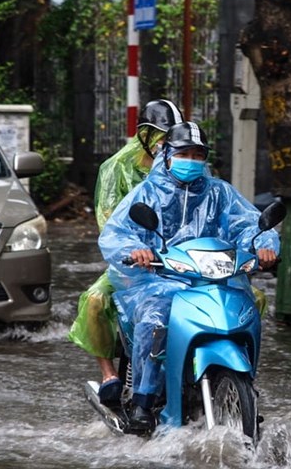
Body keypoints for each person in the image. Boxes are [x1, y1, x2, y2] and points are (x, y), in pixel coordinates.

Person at [98, 121, 280, 432]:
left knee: (245, 309)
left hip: (212, 276)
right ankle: (144, 401)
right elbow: (117, 233)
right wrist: (138, 250)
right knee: (156, 319)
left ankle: (243, 388)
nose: (191, 161)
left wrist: (263, 244)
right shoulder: (147, 193)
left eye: (199, 155)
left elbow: (248, 224)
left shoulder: (219, 192)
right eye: (185, 153)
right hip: (158, 278)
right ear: (167, 155)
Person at [68, 99, 183, 406]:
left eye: (169, 136)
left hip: (185, 261)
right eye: (159, 135)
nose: (164, 143)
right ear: (144, 134)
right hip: (135, 264)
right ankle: (109, 375)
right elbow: (110, 223)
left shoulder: (185, 163)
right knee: (94, 301)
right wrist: (135, 249)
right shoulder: (116, 168)